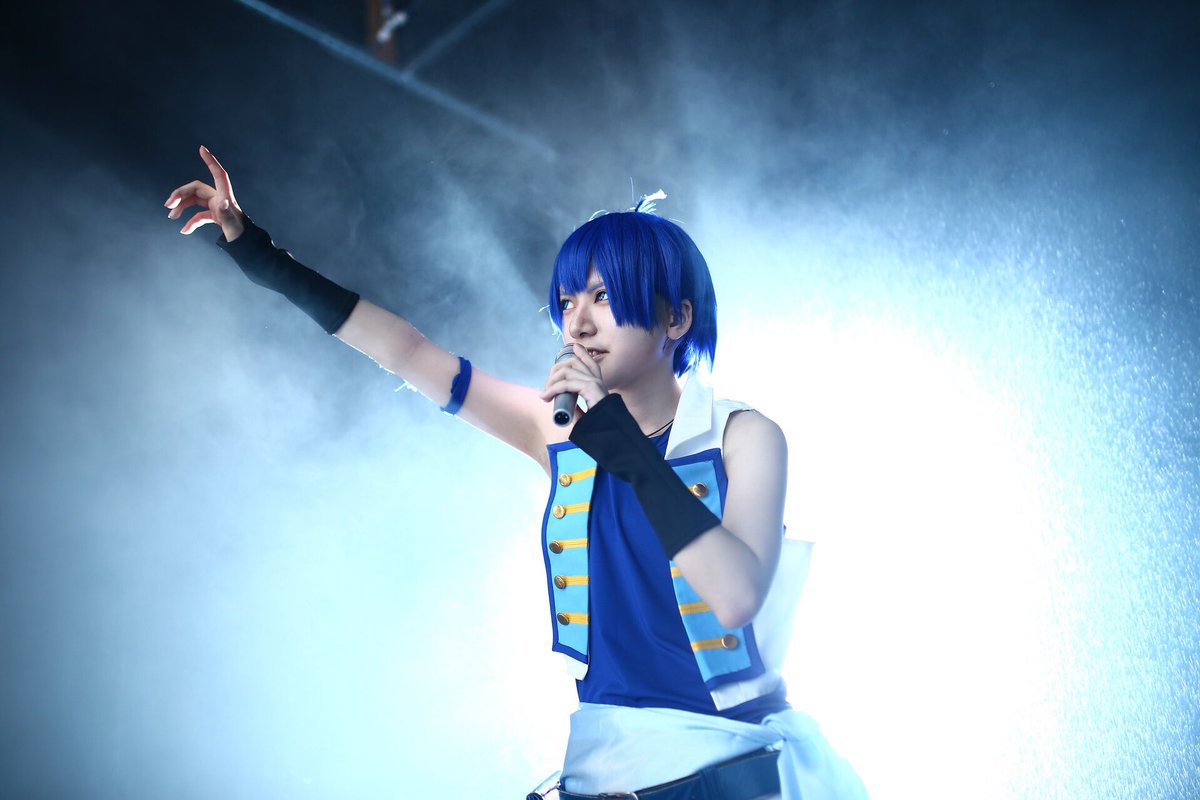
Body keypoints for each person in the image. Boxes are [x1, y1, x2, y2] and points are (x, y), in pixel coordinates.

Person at [165, 145, 868, 800]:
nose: (578, 323)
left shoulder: (744, 436)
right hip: (610, 767)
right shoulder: (555, 431)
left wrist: (620, 445)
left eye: (604, 296)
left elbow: (737, 597)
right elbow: (409, 353)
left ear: (676, 319)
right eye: (566, 301)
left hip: (731, 769)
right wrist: (258, 254)